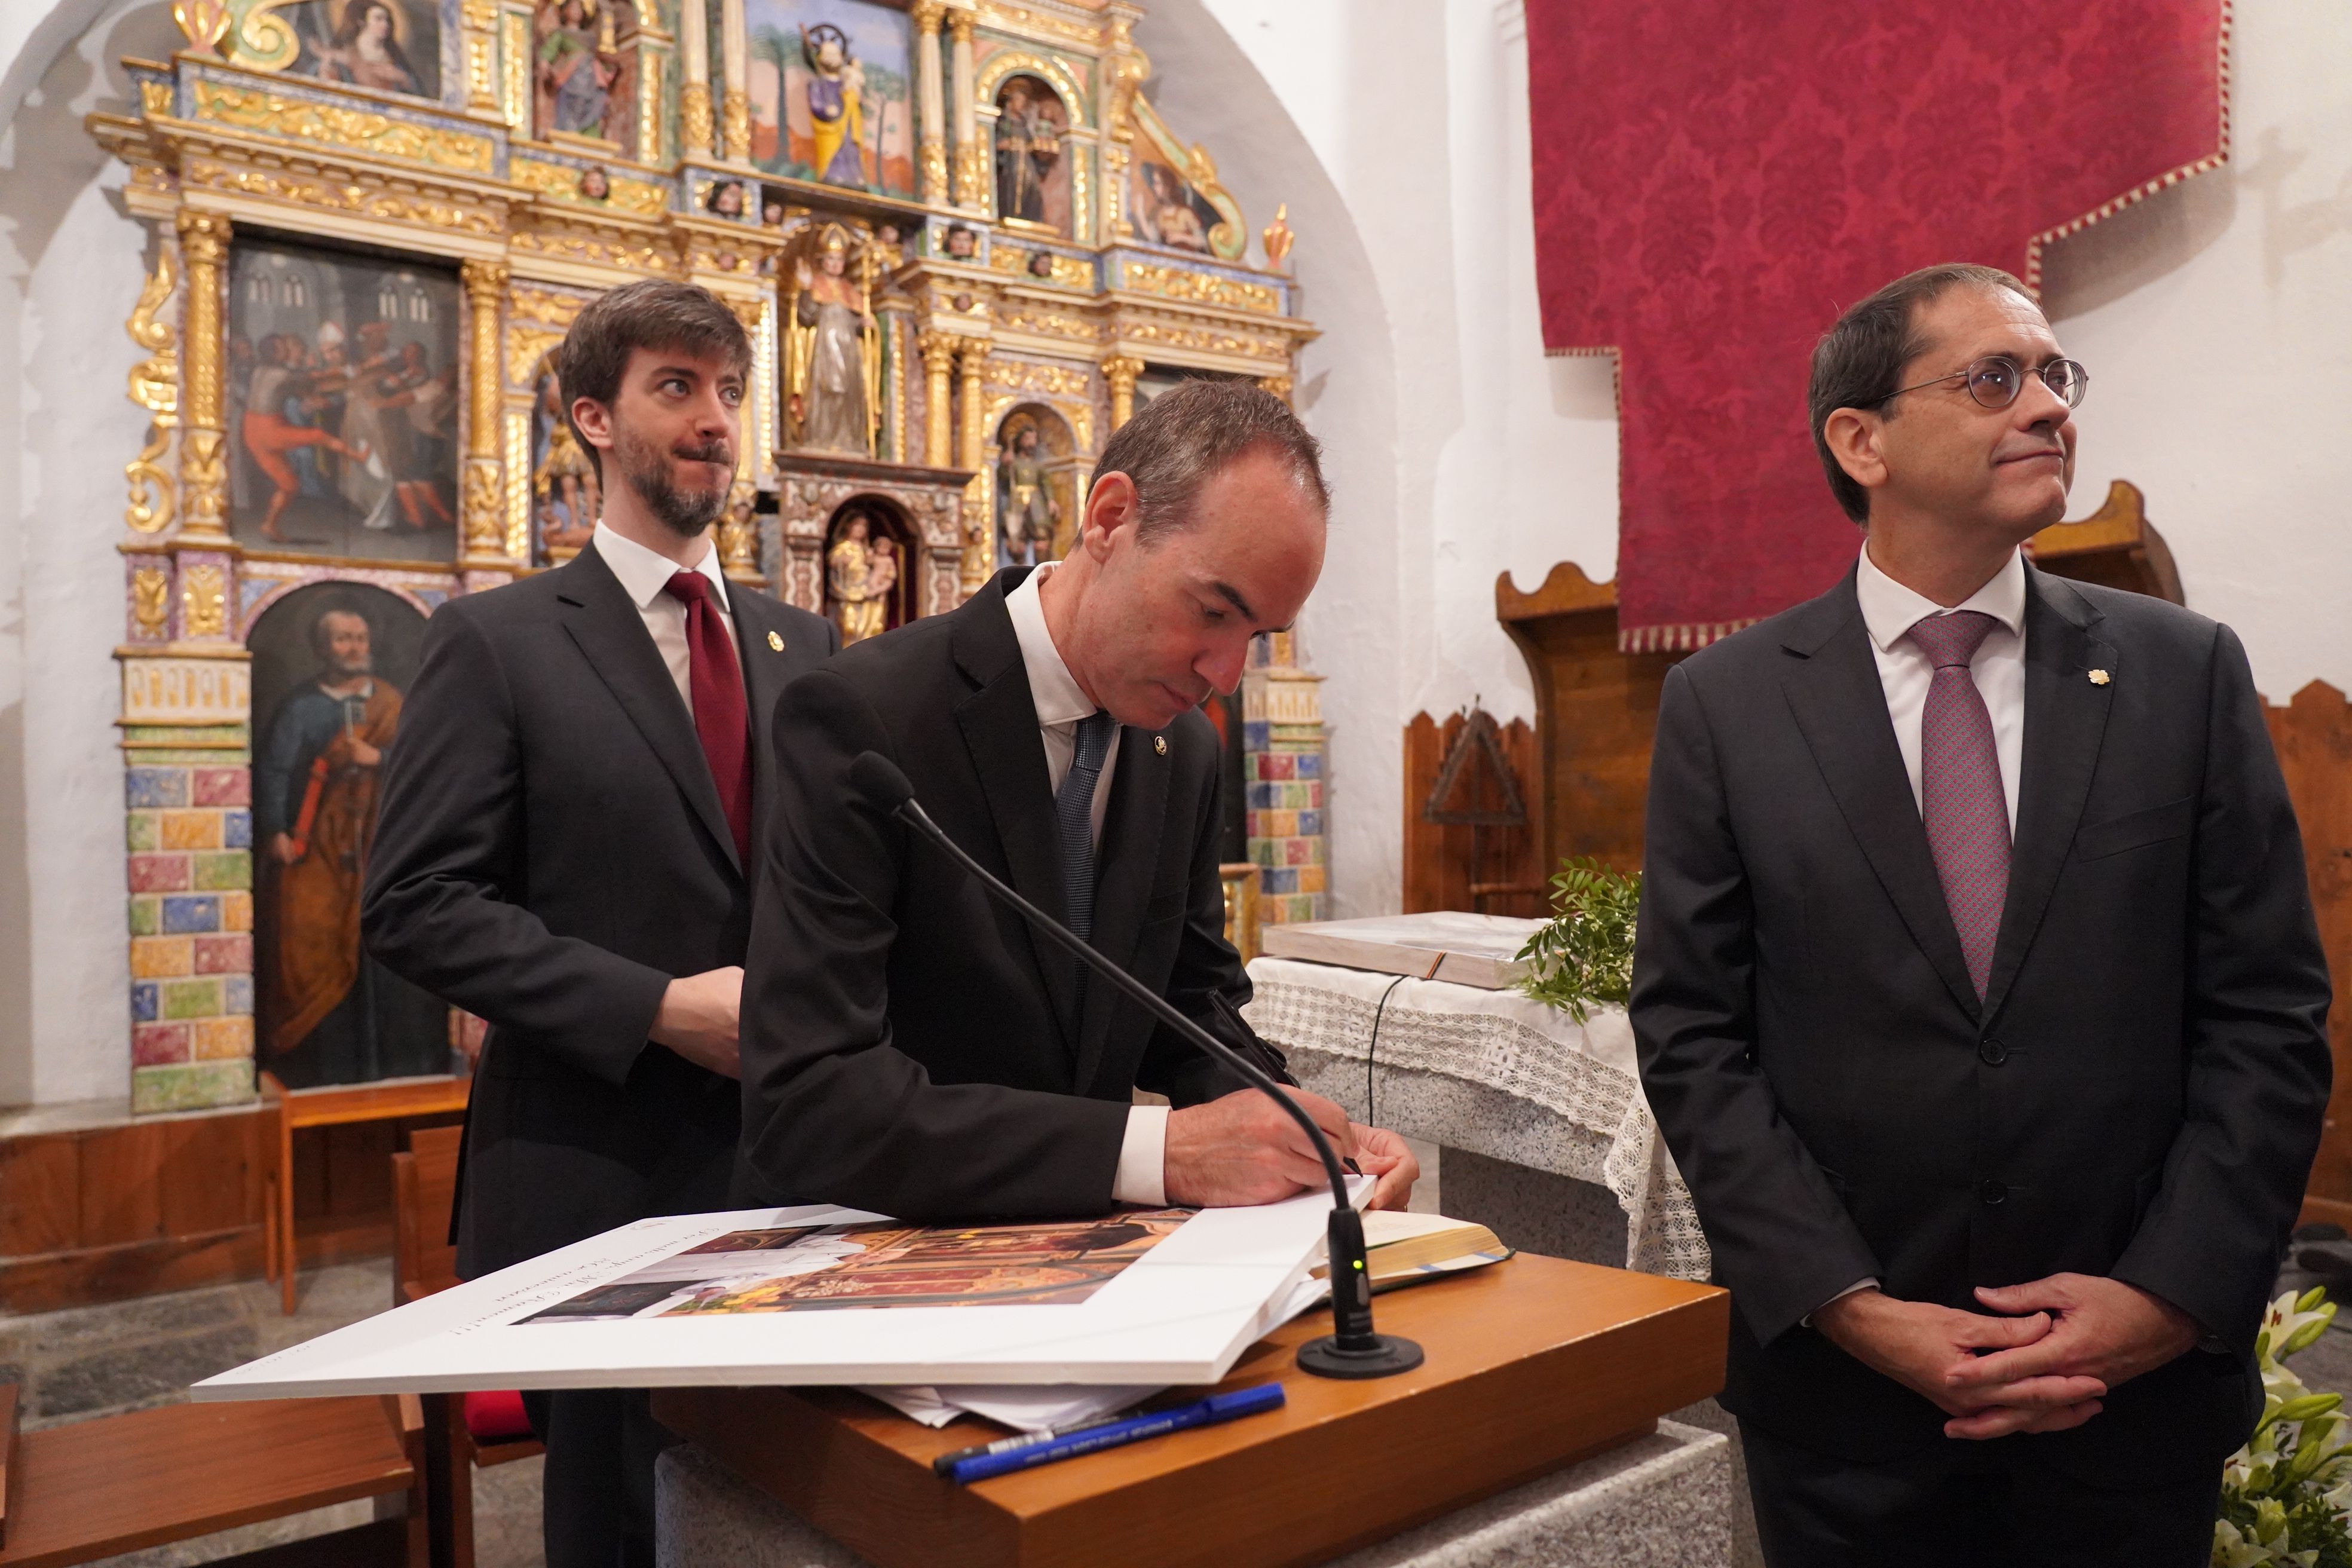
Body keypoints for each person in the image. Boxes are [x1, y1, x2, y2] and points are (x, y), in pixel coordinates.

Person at [1630, 262, 2332, 1567]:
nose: (2050, 408)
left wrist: (2167, 1297)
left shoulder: (2183, 672)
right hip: (1853, 1414)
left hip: (2127, 1405)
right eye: (1996, 378)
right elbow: (1691, 1036)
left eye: (2058, 377)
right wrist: (1848, 1306)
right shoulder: (1728, 705)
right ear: (1863, 440)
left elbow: (2268, 1017)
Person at [363, 278, 835, 1568]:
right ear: (592, 417)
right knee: (625, 1529)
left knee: (800, 1510)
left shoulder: (804, 644)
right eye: (676, 387)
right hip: (596, 1175)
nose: (715, 421)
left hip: (796, 1173)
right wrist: (661, 1007)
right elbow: (414, 905)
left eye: (730, 392)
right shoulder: (500, 642)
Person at [739, 378, 1419, 1225]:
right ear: (1109, 518)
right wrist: (1158, 1153)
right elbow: (808, 1100)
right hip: (882, 1251)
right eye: (1212, 611)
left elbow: (1189, 1006)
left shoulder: (1185, 751)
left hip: (1090, 1262)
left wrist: (1309, 1133)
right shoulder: (865, 718)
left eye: (1256, 638)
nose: (1226, 676)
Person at [255, 605, 444, 1087]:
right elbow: (276, 771)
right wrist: (276, 828)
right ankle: (318, 1067)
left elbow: (428, 760)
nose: (354, 647)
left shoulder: (392, 702)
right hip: (316, 850)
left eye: (360, 637)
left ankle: (397, 1063)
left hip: (385, 846)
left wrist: (378, 757)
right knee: (308, 940)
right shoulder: (301, 708)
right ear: (322, 649)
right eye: (342, 639)